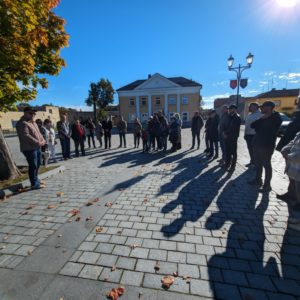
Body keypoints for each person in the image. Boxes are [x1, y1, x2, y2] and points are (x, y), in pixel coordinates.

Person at [248, 101, 282, 192]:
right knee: (258, 164)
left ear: (269, 107)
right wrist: (262, 119)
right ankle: (258, 179)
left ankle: (267, 186)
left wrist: (265, 119)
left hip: (266, 145)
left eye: (262, 107)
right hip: (257, 144)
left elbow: (271, 129)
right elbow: (253, 125)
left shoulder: (276, 118)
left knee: (266, 165)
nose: (261, 108)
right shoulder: (262, 117)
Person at [16, 107, 45, 189]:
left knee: (38, 163)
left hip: (37, 147)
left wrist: (43, 140)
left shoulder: (33, 122)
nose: (33, 115)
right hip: (29, 148)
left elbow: (39, 133)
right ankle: (34, 183)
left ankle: (36, 179)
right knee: (33, 165)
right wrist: (38, 142)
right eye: (30, 113)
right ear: (25, 113)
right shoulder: (22, 123)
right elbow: (26, 136)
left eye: (34, 113)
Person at [276, 110, 300, 202]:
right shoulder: (297, 116)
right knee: (292, 176)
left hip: (295, 156)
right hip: (291, 154)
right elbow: (294, 139)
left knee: (297, 179)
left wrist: (289, 156)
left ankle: (297, 200)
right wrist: (285, 149)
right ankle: (291, 194)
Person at [281, 132, 300, 231]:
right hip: (295, 170)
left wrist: (289, 156)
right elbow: (292, 142)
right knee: (298, 195)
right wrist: (285, 149)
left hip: (297, 167)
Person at [223, 104, 241, 172]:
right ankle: (227, 164)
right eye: (230, 109)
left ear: (235, 109)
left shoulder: (237, 117)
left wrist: (226, 133)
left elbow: (232, 127)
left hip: (233, 137)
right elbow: (225, 125)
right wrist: (224, 132)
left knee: (233, 152)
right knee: (228, 151)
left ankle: (233, 167)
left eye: (231, 109)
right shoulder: (229, 116)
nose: (230, 110)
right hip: (227, 137)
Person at [244, 103, 262, 167]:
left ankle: (257, 163)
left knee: (256, 150)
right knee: (250, 149)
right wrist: (245, 134)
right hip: (248, 135)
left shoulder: (260, 114)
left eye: (253, 106)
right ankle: (252, 161)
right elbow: (246, 125)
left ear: (257, 107)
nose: (251, 108)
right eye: (250, 107)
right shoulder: (249, 114)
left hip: (255, 135)